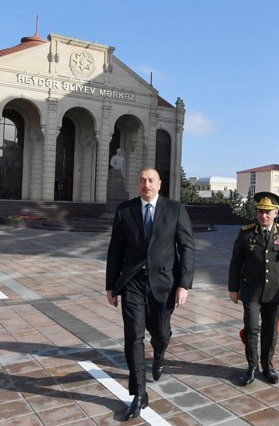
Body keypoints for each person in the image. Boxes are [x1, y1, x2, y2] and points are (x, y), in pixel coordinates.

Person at [106, 167, 195, 420]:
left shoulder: (175, 209)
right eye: (142, 181)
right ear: (138, 184)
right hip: (132, 282)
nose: (147, 185)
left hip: (164, 284)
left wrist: (184, 285)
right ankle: (139, 393)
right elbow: (115, 249)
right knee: (133, 336)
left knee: (161, 333)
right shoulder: (125, 211)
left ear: (159, 184)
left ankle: (159, 353)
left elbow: (187, 248)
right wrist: (111, 285)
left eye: (151, 180)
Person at [228, 191, 279, 386]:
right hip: (251, 291)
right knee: (252, 328)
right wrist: (233, 288)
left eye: (268, 212)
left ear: (276, 212)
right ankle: (252, 366)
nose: (264, 215)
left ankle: (267, 365)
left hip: (275, 292)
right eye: (260, 211)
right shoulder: (246, 233)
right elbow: (236, 261)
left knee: (270, 331)